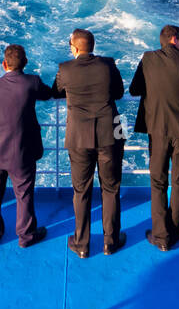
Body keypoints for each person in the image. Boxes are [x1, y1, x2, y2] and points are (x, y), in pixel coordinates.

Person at [51, 28, 126, 258]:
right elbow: (120, 93)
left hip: (79, 136)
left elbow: (56, 92)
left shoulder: (65, 69)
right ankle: (110, 242)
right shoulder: (108, 65)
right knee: (111, 188)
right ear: (92, 46)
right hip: (111, 132)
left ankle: (82, 244)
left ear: (74, 48)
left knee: (81, 190)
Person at [129, 24, 179, 250]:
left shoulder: (148, 59)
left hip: (157, 129)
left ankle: (160, 235)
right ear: (173, 40)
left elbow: (134, 89)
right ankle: (176, 226)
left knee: (158, 181)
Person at [0, 44, 53, 247]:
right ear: (25, 63)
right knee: (24, 194)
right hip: (23, 152)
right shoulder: (32, 82)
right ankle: (26, 236)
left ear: (4, 64)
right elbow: (47, 93)